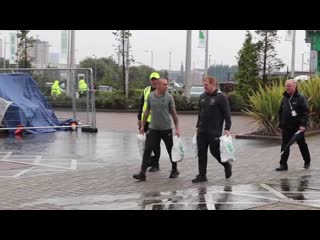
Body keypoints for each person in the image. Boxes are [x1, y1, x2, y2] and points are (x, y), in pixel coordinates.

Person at [133, 78, 180, 181]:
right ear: (158, 86)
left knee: (170, 150)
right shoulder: (151, 96)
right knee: (147, 150)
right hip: (153, 129)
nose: (166, 86)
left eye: (167, 84)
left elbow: (174, 114)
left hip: (166, 129)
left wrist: (177, 128)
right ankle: (142, 173)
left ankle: (174, 169)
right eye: (164, 84)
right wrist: (142, 126)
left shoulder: (169, 97)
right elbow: (146, 112)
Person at [192, 76, 232, 183]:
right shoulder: (202, 97)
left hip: (214, 131)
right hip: (202, 130)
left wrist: (227, 128)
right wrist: (197, 126)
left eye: (206, 85)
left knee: (214, 151)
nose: (204, 87)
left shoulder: (221, 97)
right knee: (202, 153)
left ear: (213, 84)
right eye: (203, 85)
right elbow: (200, 114)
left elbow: (227, 114)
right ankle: (202, 175)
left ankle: (226, 165)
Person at [276, 79, 311, 171]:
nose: (287, 88)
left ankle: (307, 161)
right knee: (285, 146)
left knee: (302, 144)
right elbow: (280, 111)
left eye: (289, 86)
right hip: (286, 127)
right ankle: (283, 165)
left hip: (298, 127)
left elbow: (306, 112)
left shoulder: (301, 98)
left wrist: (303, 124)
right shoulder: (284, 98)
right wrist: (280, 124)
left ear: (294, 86)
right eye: (286, 86)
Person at [137, 72, 161, 172]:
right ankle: (149, 161)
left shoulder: (161, 91)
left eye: (156, 79)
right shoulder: (146, 90)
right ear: (150, 80)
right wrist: (139, 119)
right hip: (145, 121)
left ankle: (155, 164)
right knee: (145, 144)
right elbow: (142, 104)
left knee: (155, 144)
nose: (154, 81)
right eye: (152, 79)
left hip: (156, 122)